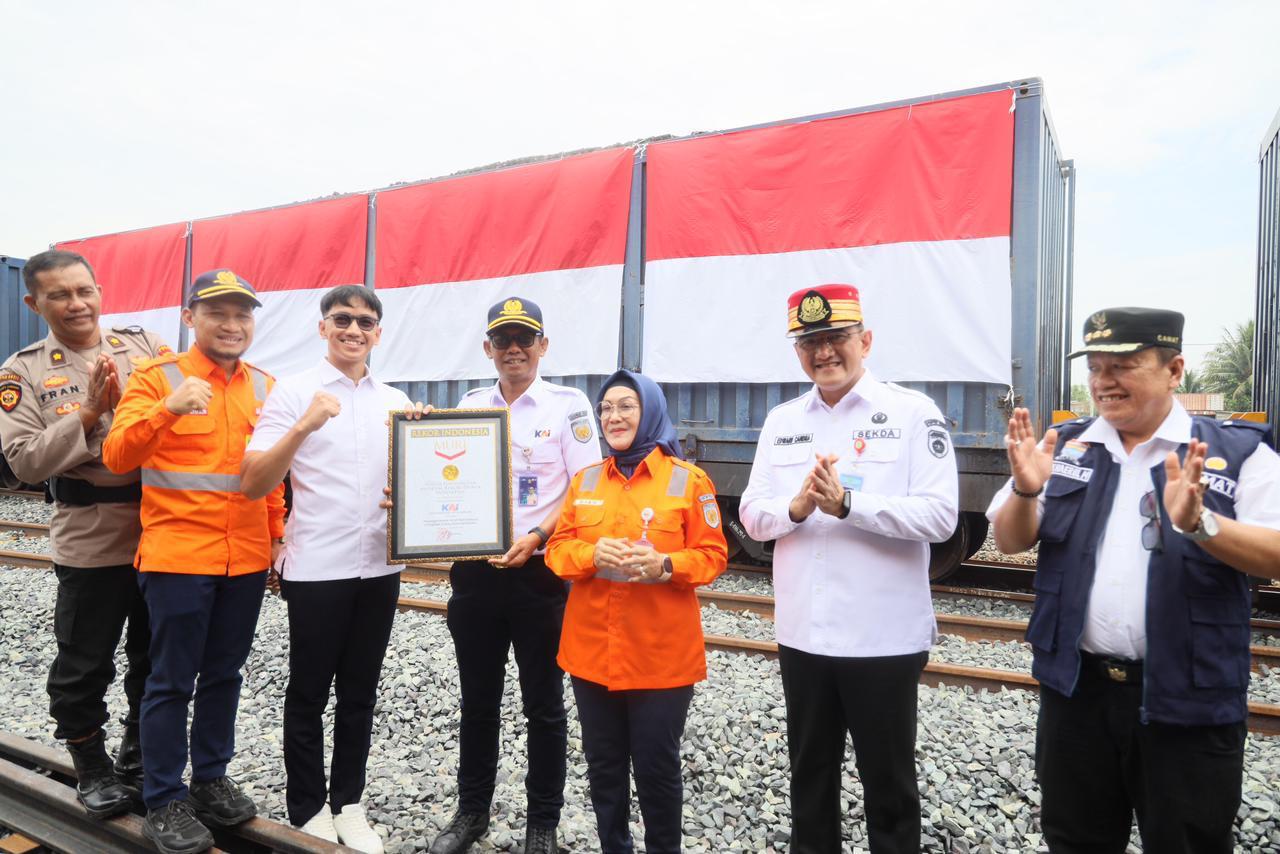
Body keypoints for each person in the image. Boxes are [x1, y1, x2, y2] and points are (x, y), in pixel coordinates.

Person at [987, 306, 1280, 853]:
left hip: (1188, 700)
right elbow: (1008, 541)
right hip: (1078, 695)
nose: (1104, 381)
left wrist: (1202, 525)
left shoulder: (1240, 453)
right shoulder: (1066, 446)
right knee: (1075, 841)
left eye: (1124, 365)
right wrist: (1026, 491)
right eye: (1096, 366)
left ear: (1174, 370)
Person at [739, 284, 959, 854]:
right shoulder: (783, 421)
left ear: (866, 339)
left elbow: (940, 518)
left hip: (881, 640)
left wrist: (849, 507)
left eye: (835, 338)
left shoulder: (912, 414)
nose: (823, 352)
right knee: (810, 780)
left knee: (888, 785)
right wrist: (797, 508)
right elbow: (751, 514)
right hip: (804, 636)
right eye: (810, 341)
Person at [103, 269, 286, 854]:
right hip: (179, 555)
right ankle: (163, 798)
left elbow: (271, 473)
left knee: (225, 675)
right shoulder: (158, 379)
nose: (232, 325)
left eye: (242, 314)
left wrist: (277, 536)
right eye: (217, 313)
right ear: (190, 319)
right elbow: (115, 456)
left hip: (247, 558)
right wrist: (169, 410)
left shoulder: (264, 385)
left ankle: (209, 780)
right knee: (171, 681)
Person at [240, 285, 419, 852]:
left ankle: (349, 803)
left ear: (378, 333)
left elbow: (413, 485)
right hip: (318, 564)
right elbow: (255, 479)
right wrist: (304, 426)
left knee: (361, 691)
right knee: (310, 690)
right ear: (322, 327)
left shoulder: (397, 401)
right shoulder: (293, 392)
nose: (353, 330)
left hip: (380, 567)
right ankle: (308, 805)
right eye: (342, 319)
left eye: (365, 322)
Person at [0, 249, 171, 818]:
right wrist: (90, 413)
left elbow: (191, 412)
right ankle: (91, 765)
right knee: (84, 663)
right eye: (59, 295)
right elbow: (23, 463)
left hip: (160, 530)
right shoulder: (20, 371)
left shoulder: (143, 347)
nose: (76, 304)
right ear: (35, 303)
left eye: (84, 290)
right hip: (91, 535)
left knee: (154, 657)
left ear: (99, 290)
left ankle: (140, 752)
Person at [429, 296, 601, 854]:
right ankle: (471, 813)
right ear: (488, 349)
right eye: (502, 340)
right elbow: (447, 481)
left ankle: (542, 823)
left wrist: (538, 537)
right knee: (478, 701)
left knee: (544, 705)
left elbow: (584, 487)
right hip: (476, 576)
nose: (514, 348)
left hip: (540, 576)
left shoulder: (568, 406)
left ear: (543, 345)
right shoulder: (471, 405)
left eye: (524, 337)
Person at [545, 369, 728, 854]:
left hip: (660, 661)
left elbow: (714, 556)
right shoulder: (585, 481)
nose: (614, 416)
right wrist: (590, 556)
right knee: (604, 767)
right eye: (606, 408)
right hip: (590, 656)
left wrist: (667, 564)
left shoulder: (689, 481)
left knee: (656, 768)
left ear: (649, 411)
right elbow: (558, 551)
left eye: (626, 406)